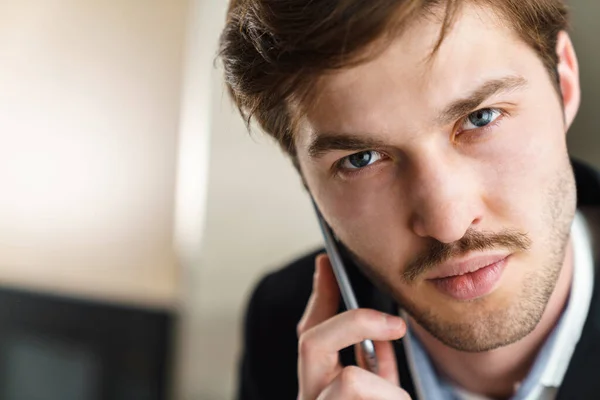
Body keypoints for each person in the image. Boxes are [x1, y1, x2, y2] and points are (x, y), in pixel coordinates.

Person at [218, 0, 600, 398]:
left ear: (564, 83)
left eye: (480, 118)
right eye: (361, 159)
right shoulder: (283, 327)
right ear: (308, 184)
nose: (448, 223)